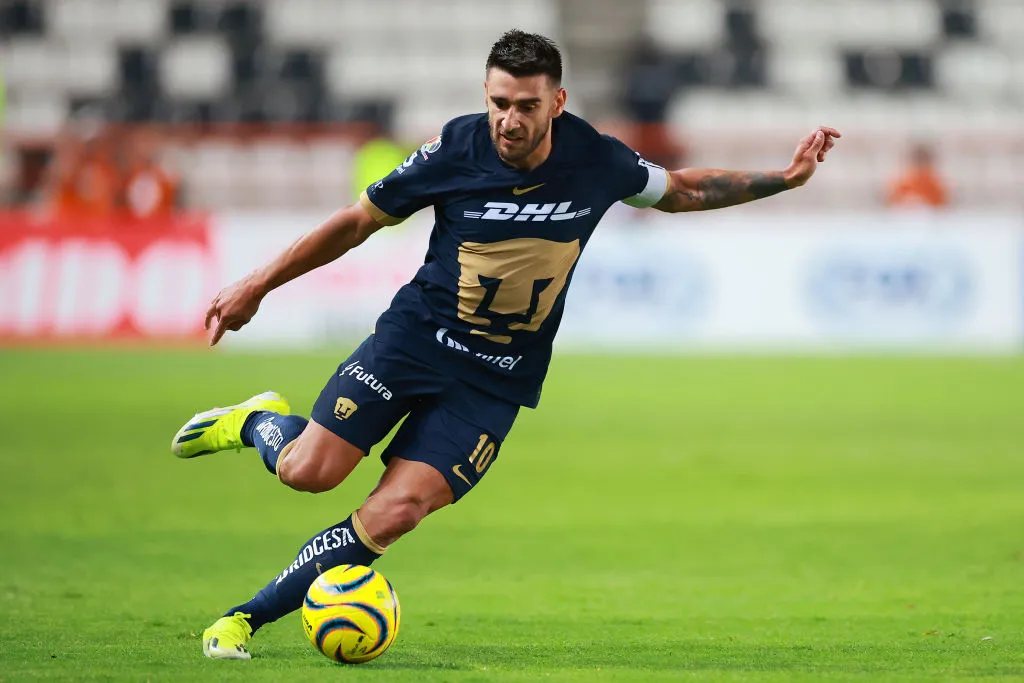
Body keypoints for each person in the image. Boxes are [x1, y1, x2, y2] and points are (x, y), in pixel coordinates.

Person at [172, 30, 840, 660]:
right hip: (413, 342)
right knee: (307, 473)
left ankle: (243, 618)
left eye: (525, 106)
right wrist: (258, 284)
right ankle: (255, 421)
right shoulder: (453, 149)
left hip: (494, 380)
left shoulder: (597, 159)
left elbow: (684, 190)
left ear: (558, 102)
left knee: (397, 510)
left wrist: (785, 178)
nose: (509, 120)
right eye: (498, 103)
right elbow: (357, 222)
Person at [885, 142, 949, 209]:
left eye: (923, 161)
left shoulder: (935, 186)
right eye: (917, 160)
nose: (920, 165)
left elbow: (943, 205)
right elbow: (891, 203)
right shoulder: (903, 184)